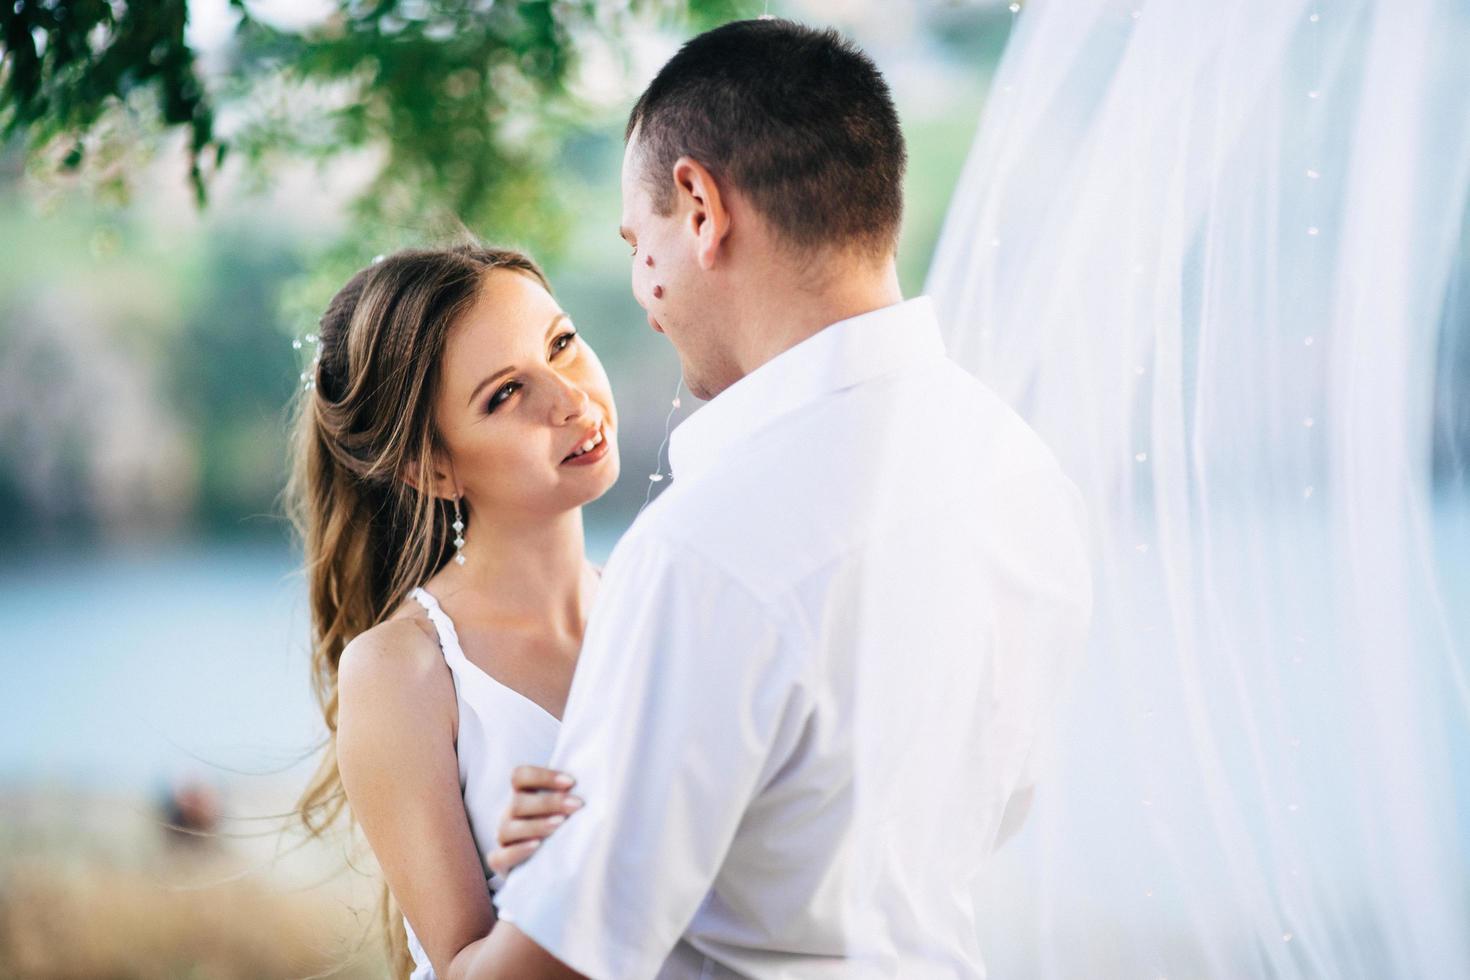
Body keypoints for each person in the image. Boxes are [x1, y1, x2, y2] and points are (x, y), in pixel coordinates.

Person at [457, 18, 1094, 979]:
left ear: (701, 207)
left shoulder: (702, 549)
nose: (644, 289)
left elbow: (556, 966)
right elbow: (980, 816)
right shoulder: (1024, 472)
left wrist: (513, 916)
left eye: (641, 244)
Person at [288, 244, 620, 979]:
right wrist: (569, 871)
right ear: (431, 467)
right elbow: (464, 966)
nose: (570, 400)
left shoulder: (655, 603)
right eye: (505, 394)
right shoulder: (404, 671)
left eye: (561, 344)